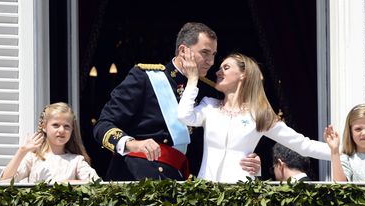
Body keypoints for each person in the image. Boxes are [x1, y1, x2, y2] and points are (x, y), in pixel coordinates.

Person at [93, 22, 261, 181]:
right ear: (183, 51)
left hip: (182, 184)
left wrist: (248, 158)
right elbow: (103, 125)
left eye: (213, 55)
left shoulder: (209, 91)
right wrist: (132, 144)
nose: (211, 62)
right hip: (136, 179)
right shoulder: (146, 78)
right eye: (205, 53)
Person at [177, 52, 331, 183]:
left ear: (243, 75)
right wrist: (192, 80)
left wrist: (342, 152)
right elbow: (185, 116)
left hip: (241, 196)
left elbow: (303, 145)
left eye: (226, 67)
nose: (218, 72)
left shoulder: (258, 114)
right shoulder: (209, 106)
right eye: (219, 69)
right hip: (208, 195)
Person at [0, 102, 100, 183]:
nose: (61, 130)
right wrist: (22, 151)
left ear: (72, 130)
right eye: (56, 125)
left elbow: (96, 182)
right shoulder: (33, 158)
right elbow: (5, 180)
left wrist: (65, 183)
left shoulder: (76, 160)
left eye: (66, 126)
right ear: (44, 127)